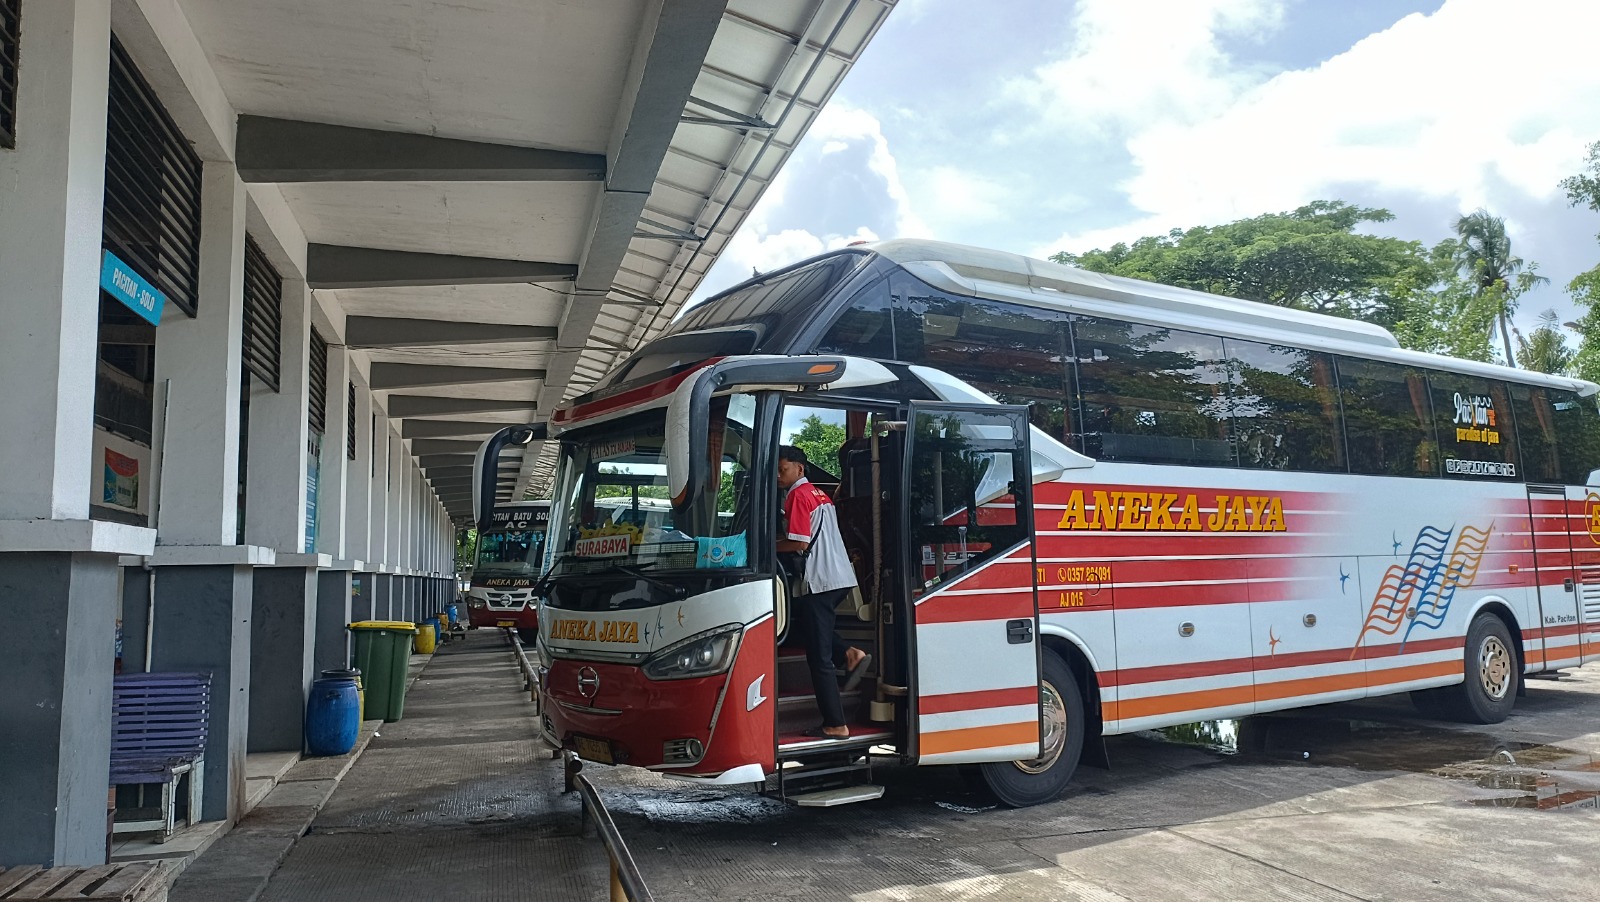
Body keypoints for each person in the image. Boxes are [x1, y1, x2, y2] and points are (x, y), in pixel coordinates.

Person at [777, 444, 871, 739]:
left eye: (783, 470)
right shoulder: (820, 494)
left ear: (799, 468)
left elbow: (800, 543)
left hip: (821, 580)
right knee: (808, 623)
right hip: (841, 576)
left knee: (818, 658)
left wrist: (764, 547)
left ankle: (835, 723)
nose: (779, 476)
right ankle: (850, 652)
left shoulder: (797, 496)